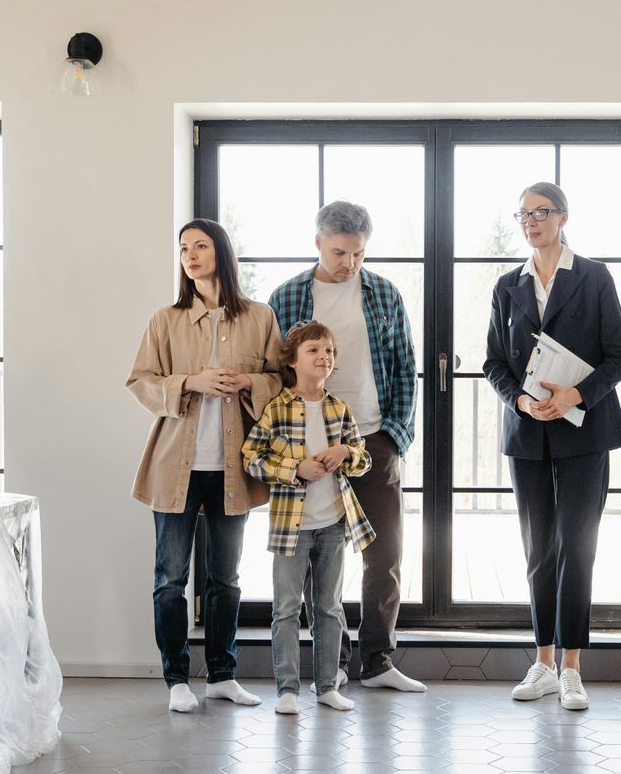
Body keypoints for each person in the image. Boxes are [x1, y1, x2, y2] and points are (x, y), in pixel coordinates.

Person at [481, 182, 621, 713]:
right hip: (528, 433)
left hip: (584, 431)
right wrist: (521, 401)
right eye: (523, 214)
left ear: (563, 217)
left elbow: (620, 356)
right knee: (539, 548)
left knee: (577, 546)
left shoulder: (594, 277)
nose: (530, 221)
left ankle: (572, 669)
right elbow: (493, 363)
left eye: (540, 212)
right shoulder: (509, 286)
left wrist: (575, 394)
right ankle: (542, 663)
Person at [267, 201, 425, 693]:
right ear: (317, 243)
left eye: (358, 254)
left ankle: (377, 662)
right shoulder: (288, 296)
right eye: (339, 253)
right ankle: (329, 667)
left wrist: (395, 435)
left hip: (373, 438)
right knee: (318, 559)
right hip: (309, 445)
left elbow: (405, 367)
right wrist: (288, 449)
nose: (349, 263)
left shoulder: (384, 293)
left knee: (385, 555)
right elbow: (274, 373)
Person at [128, 218, 282, 713]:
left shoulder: (259, 317)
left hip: (233, 467)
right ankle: (177, 680)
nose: (190, 256)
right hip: (175, 464)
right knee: (170, 578)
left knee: (225, 579)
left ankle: (222, 676)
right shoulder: (165, 320)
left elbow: (281, 379)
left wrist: (247, 382)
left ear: (221, 253)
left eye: (200, 246)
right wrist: (190, 382)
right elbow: (140, 381)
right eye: (183, 249)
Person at [241, 320, 376, 715]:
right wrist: (294, 469)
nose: (323, 357)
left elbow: (363, 459)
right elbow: (251, 457)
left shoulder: (339, 409)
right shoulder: (277, 409)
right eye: (313, 350)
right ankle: (287, 690)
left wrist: (346, 453)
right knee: (285, 609)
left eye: (329, 351)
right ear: (292, 361)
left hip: (333, 525)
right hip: (291, 528)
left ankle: (327, 687)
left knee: (329, 609)